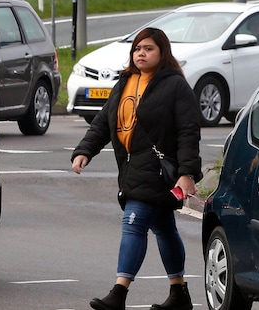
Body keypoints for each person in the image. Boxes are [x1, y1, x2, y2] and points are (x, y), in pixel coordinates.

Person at [71, 27, 202, 310]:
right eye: (137, 48)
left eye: (148, 48)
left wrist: (187, 172)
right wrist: (85, 151)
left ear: (162, 52)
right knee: (164, 228)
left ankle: (119, 292)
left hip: (157, 169)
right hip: (131, 166)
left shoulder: (175, 85)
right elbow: (104, 121)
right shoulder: (126, 81)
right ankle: (178, 294)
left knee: (134, 223)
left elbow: (188, 131)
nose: (141, 53)